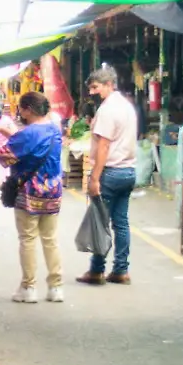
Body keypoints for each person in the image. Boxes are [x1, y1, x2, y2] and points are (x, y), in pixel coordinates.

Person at [0, 91, 64, 303]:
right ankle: (56, 288)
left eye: (21, 108)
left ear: (28, 109)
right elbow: (31, 146)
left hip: (29, 193)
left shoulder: (27, 134)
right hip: (53, 192)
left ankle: (29, 287)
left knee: (27, 239)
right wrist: (7, 132)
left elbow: (3, 156)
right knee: (50, 240)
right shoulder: (54, 130)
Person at [77, 66, 138, 285]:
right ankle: (121, 270)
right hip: (128, 171)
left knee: (100, 222)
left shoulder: (108, 109)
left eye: (96, 87)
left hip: (110, 172)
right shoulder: (127, 107)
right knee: (121, 223)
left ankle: (96, 270)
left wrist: (94, 178)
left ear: (109, 84)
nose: (93, 92)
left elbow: (103, 146)